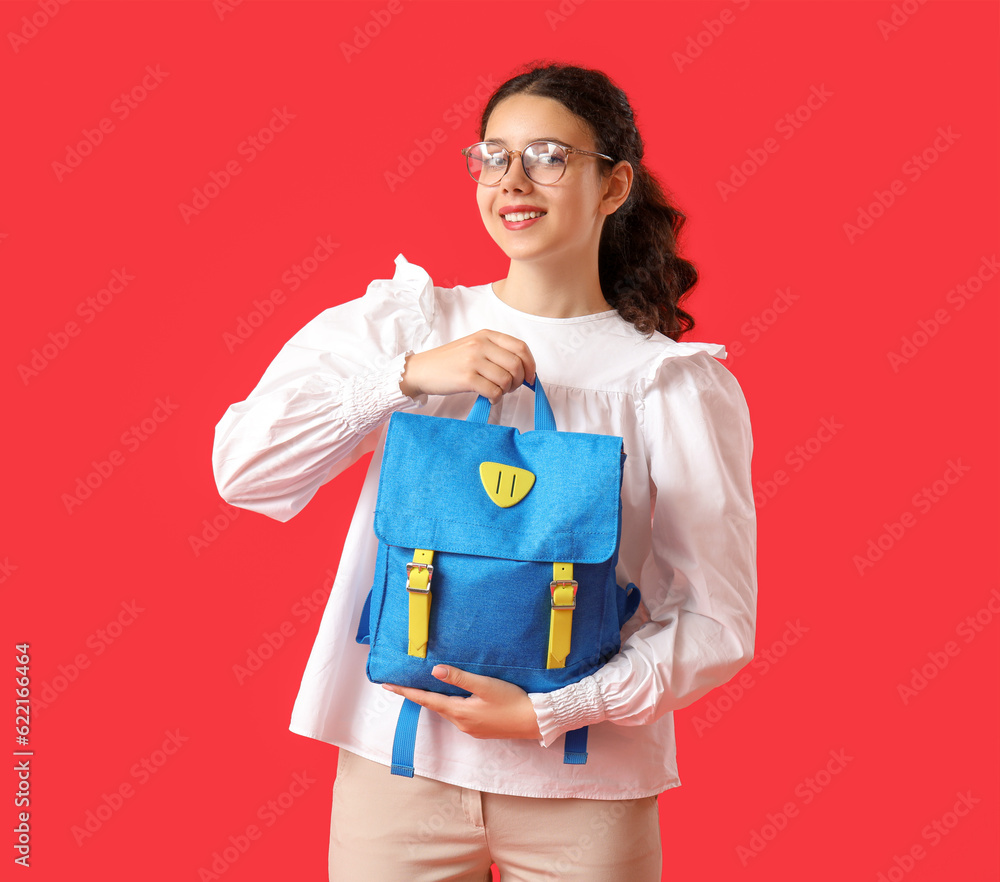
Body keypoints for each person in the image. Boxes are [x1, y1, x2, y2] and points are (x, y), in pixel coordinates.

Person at [212, 62, 757, 882]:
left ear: (615, 185)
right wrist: (406, 376)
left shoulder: (669, 383)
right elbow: (244, 470)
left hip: (586, 789)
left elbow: (718, 621)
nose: (512, 180)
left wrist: (552, 709)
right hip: (394, 770)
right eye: (491, 155)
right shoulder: (409, 324)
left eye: (547, 155)